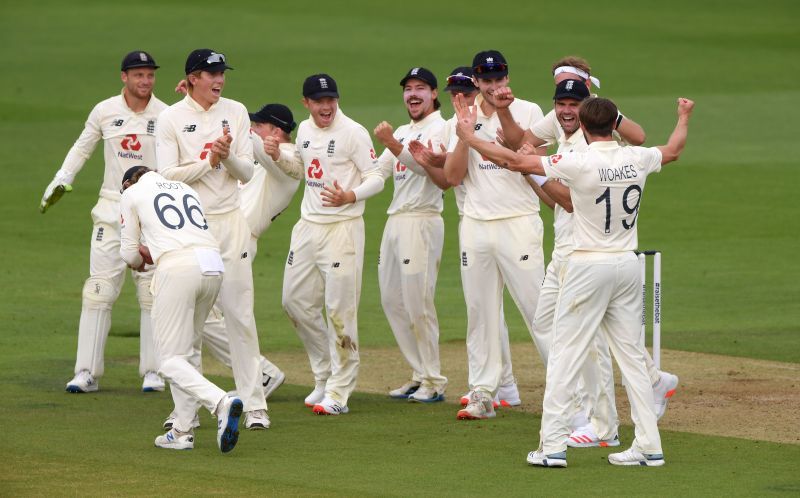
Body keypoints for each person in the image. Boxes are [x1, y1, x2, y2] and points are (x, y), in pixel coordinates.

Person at [454, 94, 694, 467]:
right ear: (615, 125)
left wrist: (470, 138)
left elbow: (515, 160)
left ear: (582, 126)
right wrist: (683, 115)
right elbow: (675, 149)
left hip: (587, 264)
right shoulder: (637, 157)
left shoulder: (577, 162)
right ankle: (649, 444)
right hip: (628, 264)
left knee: (565, 355)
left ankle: (551, 447)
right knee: (631, 356)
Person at [40, 51, 166, 394]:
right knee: (98, 291)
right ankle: (86, 372)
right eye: (138, 75)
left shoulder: (165, 114)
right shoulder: (105, 110)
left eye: (150, 75)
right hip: (111, 209)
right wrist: (62, 177)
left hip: (151, 214)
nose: (145, 81)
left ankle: (153, 372)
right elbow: (83, 147)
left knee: (151, 294)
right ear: (123, 77)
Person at [156, 48, 268, 430]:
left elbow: (247, 172)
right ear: (191, 79)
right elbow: (166, 175)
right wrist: (209, 163)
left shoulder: (234, 111)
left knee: (240, 315)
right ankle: (189, 409)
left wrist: (227, 158)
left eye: (222, 73)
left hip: (229, 222)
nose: (219, 80)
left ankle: (255, 406)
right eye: (211, 73)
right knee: (191, 326)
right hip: (191, 231)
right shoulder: (170, 118)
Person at [408, 66, 521, 409]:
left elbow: (452, 177)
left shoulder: (502, 115)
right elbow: (450, 175)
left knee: (513, 312)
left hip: (506, 220)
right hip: (470, 220)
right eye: (454, 92)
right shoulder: (448, 126)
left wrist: (454, 149)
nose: (462, 97)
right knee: (484, 311)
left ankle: (508, 386)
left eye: (466, 90)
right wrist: (441, 154)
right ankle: (497, 388)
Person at [442, 50, 547, 420]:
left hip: (518, 221)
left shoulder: (530, 111)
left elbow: (527, 159)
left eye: (499, 79)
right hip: (475, 225)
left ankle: (570, 394)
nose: (493, 86)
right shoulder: (460, 117)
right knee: (480, 312)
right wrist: (463, 135)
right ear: (476, 82)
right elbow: (452, 177)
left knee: (539, 311)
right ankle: (483, 392)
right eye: (486, 81)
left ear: (506, 77)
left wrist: (499, 127)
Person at [119, 166, 243, 453]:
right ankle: (182, 430)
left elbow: (127, 253)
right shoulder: (185, 189)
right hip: (211, 265)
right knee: (189, 350)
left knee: (169, 360)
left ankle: (221, 402)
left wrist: (141, 259)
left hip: (177, 269)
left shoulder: (132, 193)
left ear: (127, 182)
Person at [280, 74, 384, 415]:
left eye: (331, 100)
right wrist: (278, 157)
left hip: (343, 229)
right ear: (306, 103)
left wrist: (349, 196)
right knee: (294, 301)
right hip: (308, 227)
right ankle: (323, 375)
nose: (326, 106)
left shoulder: (353, 132)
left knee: (340, 310)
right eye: (319, 101)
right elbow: (302, 169)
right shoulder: (307, 131)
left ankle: (339, 392)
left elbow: (377, 177)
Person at [373, 67, 449, 402]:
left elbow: (428, 167)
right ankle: (419, 373)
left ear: (434, 94)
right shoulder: (404, 129)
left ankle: (435, 379)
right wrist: (348, 188)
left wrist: (392, 143)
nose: (413, 94)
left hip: (422, 219)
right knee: (392, 299)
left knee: (418, 301)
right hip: (395, 220)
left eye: (421, 88)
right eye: (408, 89)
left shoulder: (442, 128)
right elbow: (379, 170)